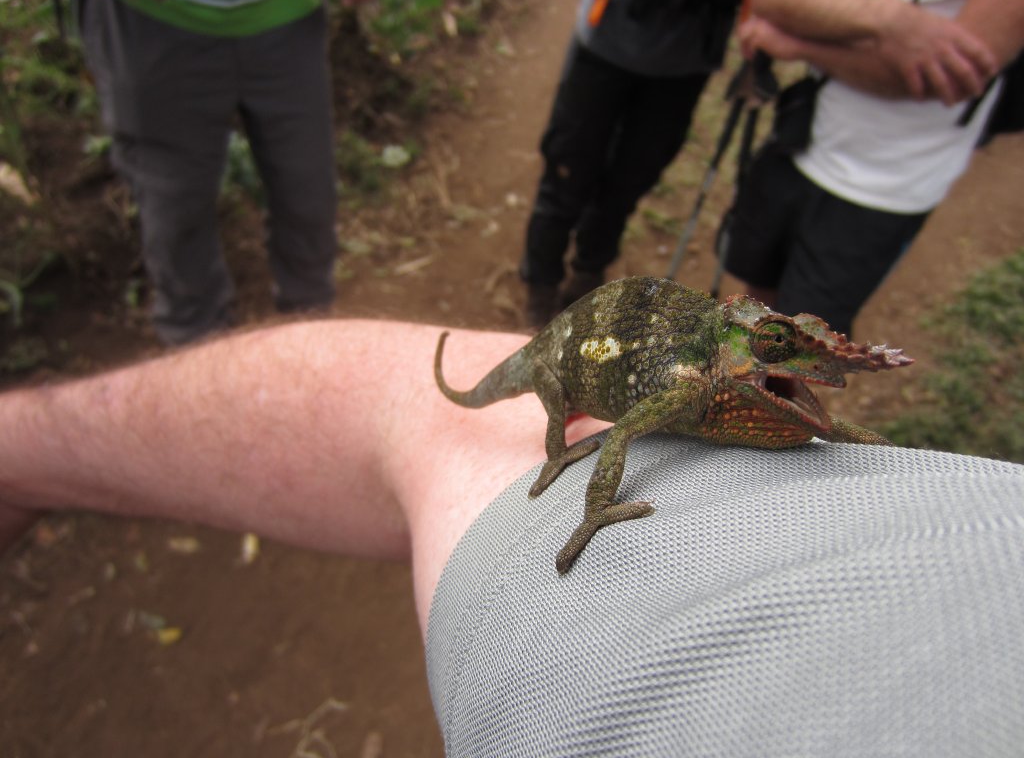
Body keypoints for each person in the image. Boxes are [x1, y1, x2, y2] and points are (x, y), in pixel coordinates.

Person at [1, 318, 1023, 755]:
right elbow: (611, 426)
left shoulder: (738, 386)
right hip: (578, 373)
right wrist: (588, 500)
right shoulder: (686, 390)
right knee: (554, 407)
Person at [77, 0, 376, 345]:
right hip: (156, 22)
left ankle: (308, 343)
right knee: (175, 219)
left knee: (307, 197)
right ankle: (200, 357)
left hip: (285, 14)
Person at [724, 0, 1024, 337]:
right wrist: (897, 22)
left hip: (886, 191)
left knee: (800, 346)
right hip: (799, 142)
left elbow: (939, 75)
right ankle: (736, 385)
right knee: (757, 299)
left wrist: (801, 43)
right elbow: (770, 0)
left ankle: (758, 388)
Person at [519, 0, 743, 328]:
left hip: (687, 59)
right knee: (567, 173)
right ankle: (541, 291)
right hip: (608, 41)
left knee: (628, 182)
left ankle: (586, 277)